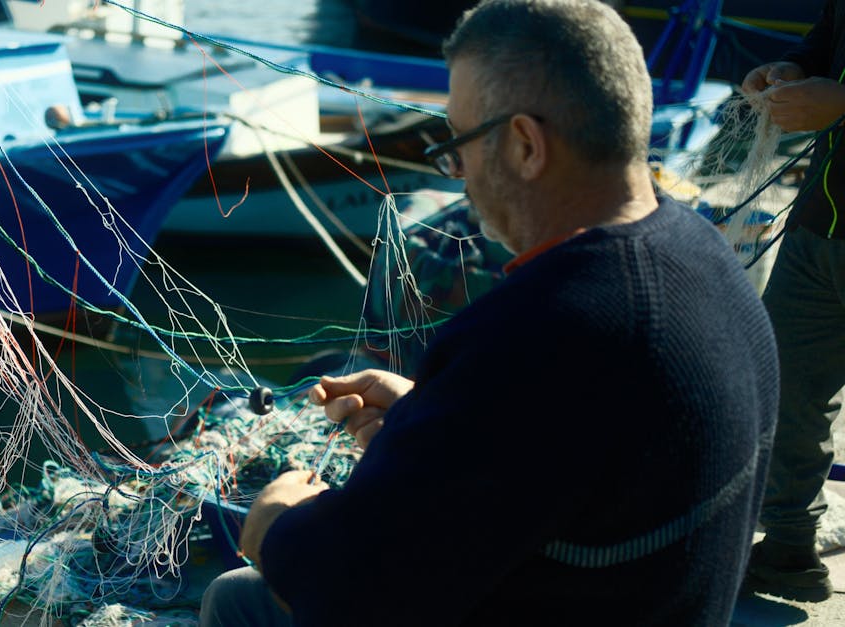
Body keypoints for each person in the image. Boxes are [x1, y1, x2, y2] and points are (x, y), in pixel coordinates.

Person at [199, 1, 778, 625]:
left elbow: (354, 587)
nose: (458, 174)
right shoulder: (706, 256)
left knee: (238, 597)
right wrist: (434, 414)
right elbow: (561, 450)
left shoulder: (542, 331)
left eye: (460, 145)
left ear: (527, 145)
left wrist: (275, 527)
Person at [738, 0, 845, 604]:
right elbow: (830, 33)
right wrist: (790, 69)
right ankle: (788, 548)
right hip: (821, 227)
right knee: (787, 390)